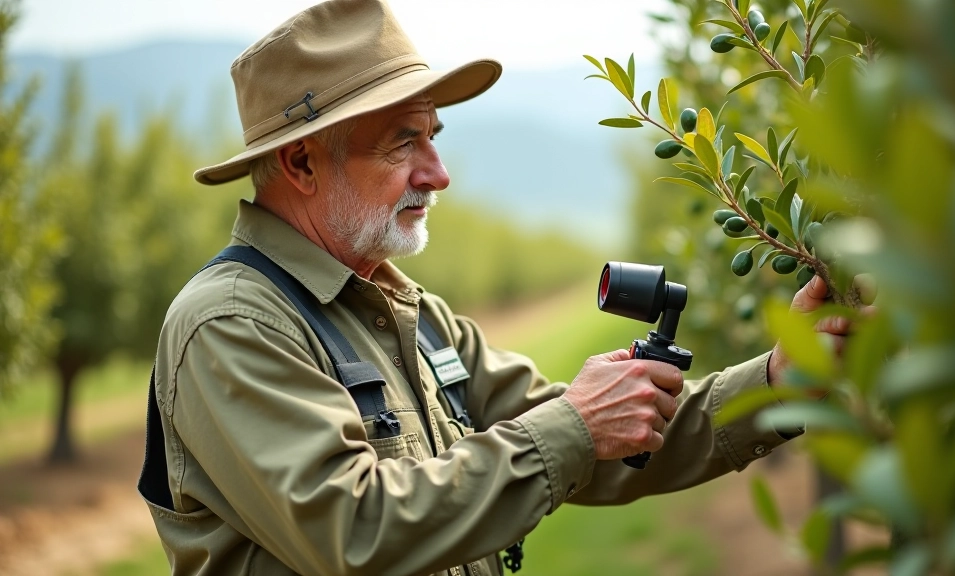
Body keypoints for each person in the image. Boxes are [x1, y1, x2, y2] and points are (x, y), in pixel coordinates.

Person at [139, 1, 853, 575]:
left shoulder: (410, 316)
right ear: (300, 163)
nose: (437, 172)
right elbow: (353, 533)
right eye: (403, 143)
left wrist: (779, 382)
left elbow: (611, 442)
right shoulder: (232, 324)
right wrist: (574, 426)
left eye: (433, 136)